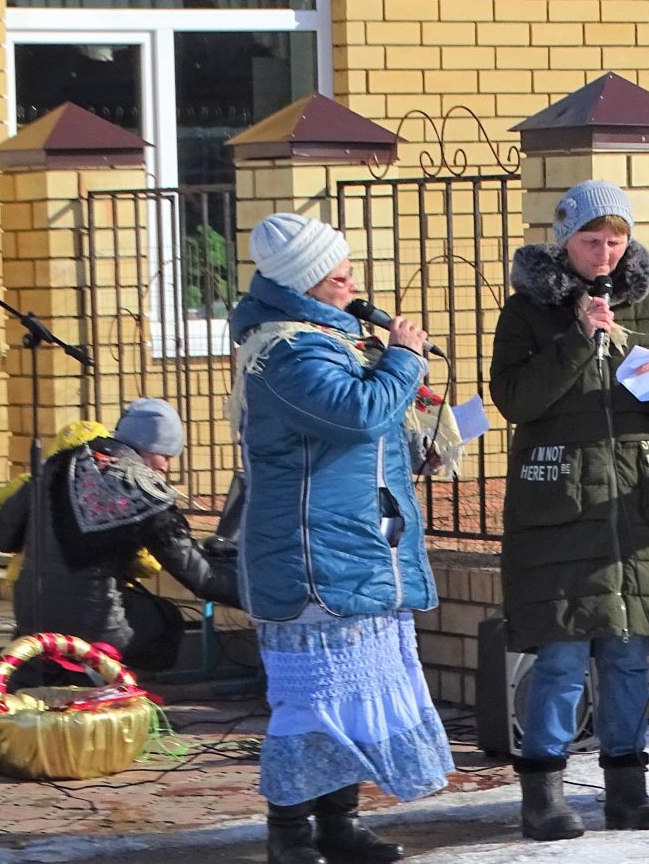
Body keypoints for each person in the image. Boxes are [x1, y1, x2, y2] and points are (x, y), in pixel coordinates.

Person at [228, 213, 450, 864]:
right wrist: (404, 355)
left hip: (352, 544)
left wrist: (421, 442)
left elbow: (368, 435)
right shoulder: (286, 350)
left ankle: (339, 826)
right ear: (304, 280)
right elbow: (355, 414)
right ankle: (289, 835)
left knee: (350, 697)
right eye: (338, 273)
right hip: (311, 557)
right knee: (312, 699)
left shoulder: (330, 341)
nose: (352, 281)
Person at [489, 179, 649, 842]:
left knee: (628, 655)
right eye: (591, 240)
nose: (605, 252)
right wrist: (579, 340)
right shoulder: (528, 310)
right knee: (560, 655)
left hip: (633, 505)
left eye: (616, 240)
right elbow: (514, 399)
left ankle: (627, 790)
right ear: (566, 240)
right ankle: (544, 794)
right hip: (561, 505)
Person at [0, 399, 239, 674]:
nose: (165, 467)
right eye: (165, 456)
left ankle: (68, 676)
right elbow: (199, 576)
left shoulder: (56, 465)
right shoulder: (143, 488)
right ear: (148, 448)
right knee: (167, 621)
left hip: (30, 617)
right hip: (98, 626)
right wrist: (261, 596)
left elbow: (1, 537)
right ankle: (116, 687)